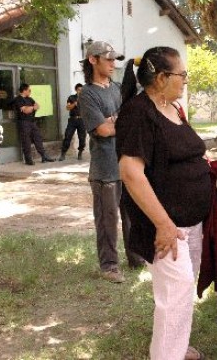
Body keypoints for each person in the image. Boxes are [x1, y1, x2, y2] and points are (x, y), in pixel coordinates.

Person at [116, 47, 210, 360]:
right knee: (175, 293)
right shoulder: (138, 112)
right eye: (181, 75)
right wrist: (163, 224)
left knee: (183, 291)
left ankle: (176, 347)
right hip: (166, 225)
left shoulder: (172, 107)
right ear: (161, 77)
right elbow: (130, 172)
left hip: (189, 220)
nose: (185, 80)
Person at [80, 40, 143, 284]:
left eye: (115, 59)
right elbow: (103, 130)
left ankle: (136, 257)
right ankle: (109, 266)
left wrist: (116, 120)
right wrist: (119, 122)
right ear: (93, 60)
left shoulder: (119, 88)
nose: (113, 64)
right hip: (105, 168)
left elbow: (134, 117)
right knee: (107, 220)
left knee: (131, 215)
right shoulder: (87, 94)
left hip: (127, 164)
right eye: (108, 59)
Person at [12, 83, 55, 165]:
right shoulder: (18, 99)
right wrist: (32, 108)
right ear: (24, 90)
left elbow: (37, 106)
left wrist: (30, 108)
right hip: (23, 122)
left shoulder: (30, 99)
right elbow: (25, 110)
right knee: (26, 141)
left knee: (38, 138)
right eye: (29, 90)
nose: (30, 91)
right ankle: (28, 159)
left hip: (32, 121)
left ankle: (44, 156)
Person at [59, 83, 86, 161]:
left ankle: (80, 152)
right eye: (79, 90)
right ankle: (63, 153)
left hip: (82, 120)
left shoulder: (86, 98)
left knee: (82, 138)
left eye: (82, 90)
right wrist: (74, 103)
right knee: (67, 136)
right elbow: (68, 107)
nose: (80, 91)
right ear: (76, 90)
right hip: (73, 120)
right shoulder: (71, 98)